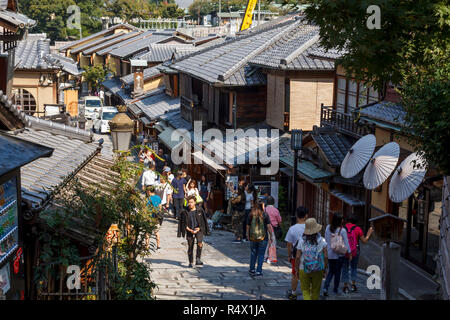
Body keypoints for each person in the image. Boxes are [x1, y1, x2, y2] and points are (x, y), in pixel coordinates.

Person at [295, 218, 328, 300]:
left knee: (305, 291)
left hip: (303, 268)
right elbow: (326, 256)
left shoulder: (301, 240)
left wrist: (297, 269)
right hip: (318, 268)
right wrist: (325, 268)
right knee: (315, 291)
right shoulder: (322, 240)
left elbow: (298, 257)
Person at [341, 215, 374, 293]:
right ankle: (353, 285)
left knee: (345, 268)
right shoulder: (357, 229)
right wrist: (369, 234)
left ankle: (345, 286)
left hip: (344, 250)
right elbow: (364, 241)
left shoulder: (342, 228)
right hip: (355, 251)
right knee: (354, 267)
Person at [323, 212, 351, 296]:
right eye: (342, 219)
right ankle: (335, 289)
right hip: (339, 255)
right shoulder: (342, 230)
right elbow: (346, 243)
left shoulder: (328, 227)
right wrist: (349, 253)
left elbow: (326, 239)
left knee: (330, 271)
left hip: (330, 254)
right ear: (340, 220)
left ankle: (325, 287)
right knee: (338, 273)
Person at [178, 195, 210, 267]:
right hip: (189, 230)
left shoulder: (200, 210)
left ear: (195, 202)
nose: (190, 204)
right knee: (190, 245)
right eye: (189, 202)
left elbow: (203, 221)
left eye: (192, 202)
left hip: (198, 229)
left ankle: (198, 259)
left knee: (199, 242)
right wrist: (189, 229)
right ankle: (191, 261)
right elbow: (182, 223)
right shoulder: (185, 211)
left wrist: (199, 228)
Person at [284, 206, 308, 300]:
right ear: (306, 216)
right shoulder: (311, 228)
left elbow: (289, 244)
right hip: (309, 254)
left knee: (295, 274)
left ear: (297, 215)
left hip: (296, 255)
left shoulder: (292, 229)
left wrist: (289, 255)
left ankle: (293, 292)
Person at [246, 199, 273, 276]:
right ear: (262, 206)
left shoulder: (251, 214)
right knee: (261, 254)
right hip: (263, 237)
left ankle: (252, 269)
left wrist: (248, 235)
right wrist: (271, 235)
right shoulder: (265, 215)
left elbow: (248, 226)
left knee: (253, 253)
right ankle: (259, 270)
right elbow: (268, 227)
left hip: (253, 237)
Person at [264, 196, 281, 264]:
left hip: (265, 228)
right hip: (273, 228)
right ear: (273, 202)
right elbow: (279, 220)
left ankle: (265, 256)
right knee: (272, 243)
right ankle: (271, 257)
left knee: (266, 242)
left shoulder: (264, 209)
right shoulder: (276, 210)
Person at [231, 177, 246, 243]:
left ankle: (238, 237)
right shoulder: (244, 195)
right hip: (242, 211)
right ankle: (241, 237)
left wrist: (233, 195)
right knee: (240, 224)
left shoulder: (239, 197)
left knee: (235, 224)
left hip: (237, 212)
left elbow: (233, 201)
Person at [146, 186, 162, 250]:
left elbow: (146, 209)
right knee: (157, 232)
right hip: (156, 218)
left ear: (149, 191)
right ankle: (158, 246)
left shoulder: (147, 199)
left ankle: (147, 246)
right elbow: (160, 207)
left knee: (147, 233)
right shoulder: (158, 198)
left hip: (150, 217)